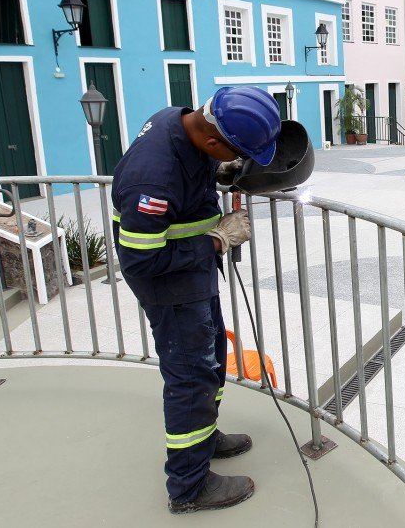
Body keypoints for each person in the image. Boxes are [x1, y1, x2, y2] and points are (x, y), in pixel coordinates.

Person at [112, 86, 282, 514]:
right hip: (170, 286)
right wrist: (219, 241)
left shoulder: (180, 119)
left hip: (193, 274)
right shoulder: (152, 177)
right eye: (233, 152)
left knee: (212, 357)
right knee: (190, 379)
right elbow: (141, 261)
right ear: (211, 140)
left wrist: (216, 171)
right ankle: (188, 487)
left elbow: (190, 175)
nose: (238, 160)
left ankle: (206, 436)